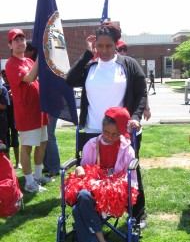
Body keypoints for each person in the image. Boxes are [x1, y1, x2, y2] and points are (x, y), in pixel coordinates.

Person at [66, 21, 147, 225]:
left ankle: (138, 214)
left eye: (109, 45)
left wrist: (135, 117)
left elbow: (140, 93)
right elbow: (70, 79)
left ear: (116, 43)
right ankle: (94, 214)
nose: (104, 50)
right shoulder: (90, 66)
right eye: (99, 46)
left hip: (122, 132)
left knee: (128, 172)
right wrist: (87, 53)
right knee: (93, 176)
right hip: (92, 131)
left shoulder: (128, 65)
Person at [65, 107, 138, 242]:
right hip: (91, 189)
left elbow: (131, 179)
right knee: (83, 195)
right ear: (101, 127)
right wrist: (80, 169)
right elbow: (83, 169)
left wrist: (110, 184)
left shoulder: (126, 149)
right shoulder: (92, 145)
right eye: (106, 132)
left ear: (121, 132)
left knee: (78, 209)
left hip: (112, 193)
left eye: (115, 134)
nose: (110, 137)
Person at [5, 28, 52, 193]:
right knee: (27, 147)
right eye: (15, 40)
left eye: (22, 39)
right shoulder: (11, 64)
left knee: (42, 143)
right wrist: (41, 56)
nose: (20, 42)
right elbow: (30, 78)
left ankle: (38, 177)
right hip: (26, 113)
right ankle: (29, 182)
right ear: (10, 45)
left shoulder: (29, 61)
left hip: (40, 111)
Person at [24, 41, 61, 178]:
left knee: (49, 136)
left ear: (32, 52)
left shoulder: (45, 65)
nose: (24, 54)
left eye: (26, 51)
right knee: (43, 138)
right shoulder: (31, 65)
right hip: (42, 105)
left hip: (52, 104)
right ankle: (46, 165)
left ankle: (54, 167)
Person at [116, 39, 151, 122]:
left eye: (125, 49)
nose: (122, 52)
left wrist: (147, 108)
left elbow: (142, 91)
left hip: (130, 110)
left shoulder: (131, 65)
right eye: (120, 49)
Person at [1, 69, 21, 169]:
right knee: (6, 142)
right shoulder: (3, 87)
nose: (5, 78)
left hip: (14, 117)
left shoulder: (15, 85)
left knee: (16, 141)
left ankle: (18, 162)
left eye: (7, 76)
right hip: (4, 118)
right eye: (3, 76)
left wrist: (13, 94)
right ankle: (9, 164)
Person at [0, 84, 9, 156]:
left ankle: (7, 166)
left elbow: (3, 106)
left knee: (4, 145)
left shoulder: (2, 89)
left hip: (1, 122)